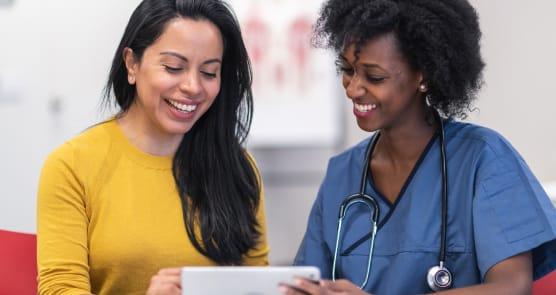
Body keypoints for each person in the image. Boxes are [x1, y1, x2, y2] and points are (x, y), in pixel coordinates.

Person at [282, 0, 556, 294]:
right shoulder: (342, 174)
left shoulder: (482, 158)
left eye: (374, 77)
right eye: (347, 70)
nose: (352, 88)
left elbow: (512, 287)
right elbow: (308, 281)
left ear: (422, 75)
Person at [36, 0, 269, 294]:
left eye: (209, 73)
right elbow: (60, 288)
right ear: (132, 64)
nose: (193, 87)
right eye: (174, 67)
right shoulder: (71, 166)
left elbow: (257, 282)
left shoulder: (237, 167)